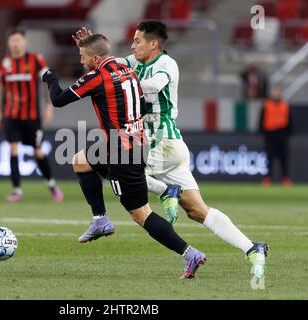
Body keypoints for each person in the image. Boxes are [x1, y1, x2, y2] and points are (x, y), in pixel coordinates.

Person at [73, 22, 269, 280]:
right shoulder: (133, 62)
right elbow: (110, 65)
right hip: (168, 148)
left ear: (154, 44)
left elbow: (152, 85)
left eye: (137, 41)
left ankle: (165, 191)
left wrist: (121, 82)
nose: (132, 46)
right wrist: (91, 49)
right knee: (198, 210)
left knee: (101, 164)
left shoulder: (167, 65)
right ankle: (252, 248)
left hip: (160, 144)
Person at [41, 34, 206, 280]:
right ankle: (100, 220)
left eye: (83, 56)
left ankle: (189, 253)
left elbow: (58, 100)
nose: (81, 60)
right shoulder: (126, 70)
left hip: (122, 153)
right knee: (80, 160)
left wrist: (50, 77)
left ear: (95, 58)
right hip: (135, 145)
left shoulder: (97, 77)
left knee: (141, 214)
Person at [0, 27, 63, 202]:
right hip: (11, 115)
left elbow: (47, 81)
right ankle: (17, 190)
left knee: (38, 151)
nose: (15, 44)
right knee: (13, 148)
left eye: (18, 40)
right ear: (8, 43)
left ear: (24, 42)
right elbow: (1, 88)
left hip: (32, 116)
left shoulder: (35, 60)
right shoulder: (5, 63)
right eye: (12, 41)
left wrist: (49, 105)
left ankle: (51, 184)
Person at [259, 86, 292, 187]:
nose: (276, 94)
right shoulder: (267, 105)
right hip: (270, 134)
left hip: (282, 134)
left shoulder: (285, 105)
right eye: (275, 92)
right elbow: (261, 120)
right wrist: (262, 132)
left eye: (278, 92)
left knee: (284, 158)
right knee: (269, 158)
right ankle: (267, 178)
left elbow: (290, 121)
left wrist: (289, 133)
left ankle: (285, 178)